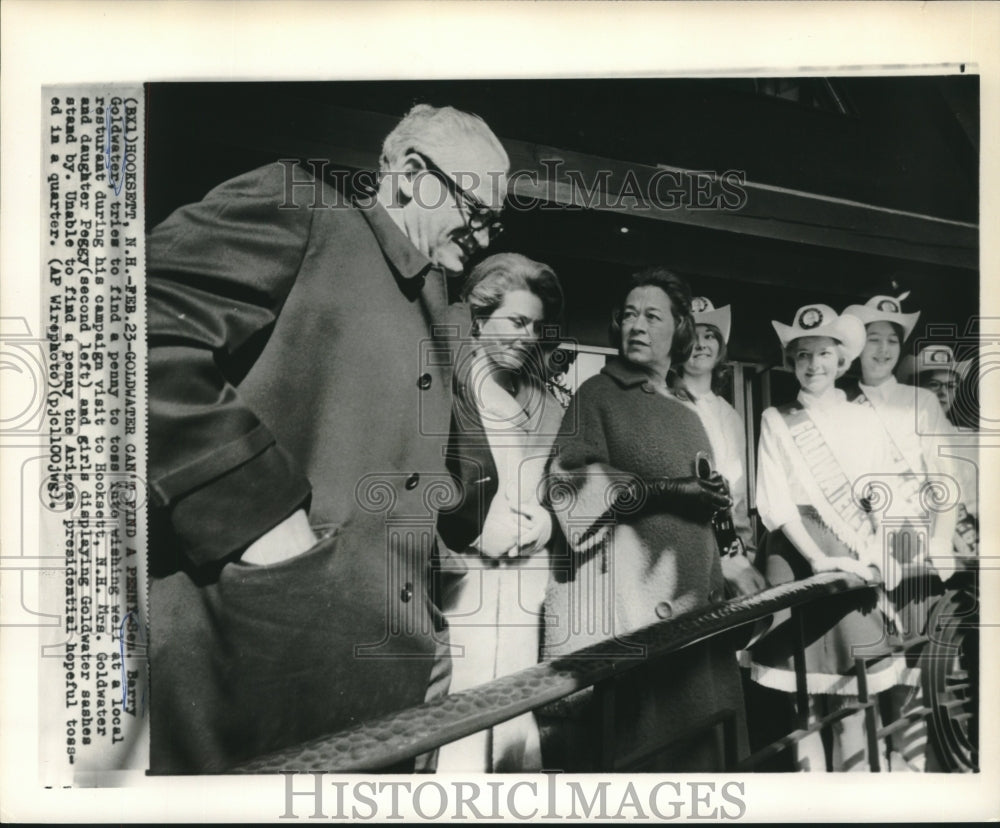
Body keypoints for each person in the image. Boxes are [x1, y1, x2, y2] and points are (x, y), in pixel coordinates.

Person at [146, 103, 510, 773]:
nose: (484, 239)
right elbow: (129, 330)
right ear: (407, 173)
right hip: (255, 669)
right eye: (475, 210)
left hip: (397, 681)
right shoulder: (301, 206)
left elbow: (465, 506)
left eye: (495, 222)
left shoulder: (443, 303)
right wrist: (266, 526)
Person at [540, 267, 748, 772]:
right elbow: (567, 483)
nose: (636, 324)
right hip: (632, 611)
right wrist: (668, 492)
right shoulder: (598, 393)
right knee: (647, 757)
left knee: (700, 753)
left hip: (695, 607)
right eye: (629, 314)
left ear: (678, 330)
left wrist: (710, 501)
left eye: (652, 316)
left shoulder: (688, 412)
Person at [748, 304, 912, 772]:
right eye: (802, 354)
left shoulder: (865, 418)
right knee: (804, 708)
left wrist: (882, 554)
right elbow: (776, 505)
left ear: (841, 361)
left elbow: (884, 496)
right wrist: (820, 560)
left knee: (851, 698)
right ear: (791, 362)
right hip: (799, 555)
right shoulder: (776, 418)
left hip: (856, 551)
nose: (813, 363)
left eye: (823, 353)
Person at [434, 252, 564, 772]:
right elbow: (415, 482)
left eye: (535, 325)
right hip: (460, 583)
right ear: (479, 317)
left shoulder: (544, 400)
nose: (527, 336)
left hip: (525, 586)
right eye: (515, 321)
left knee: (515, 720)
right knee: (455, 722)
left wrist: (549, 521)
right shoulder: (444, 388)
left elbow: (566, 484)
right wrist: (469, 530)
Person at [672, 296, 766, 598]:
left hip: (727, 549)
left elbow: (737, 499)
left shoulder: (731, 416)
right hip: (680, 548)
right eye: (693, 337)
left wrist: (744, 551)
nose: (701, 344)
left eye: (709, 335)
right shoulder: (664, 404)